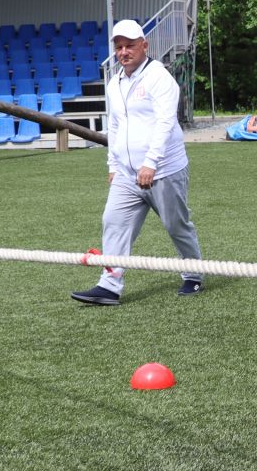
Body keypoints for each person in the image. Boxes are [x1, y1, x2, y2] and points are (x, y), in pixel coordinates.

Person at [71, 20, 204, 306]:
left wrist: (151, 163)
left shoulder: (159, 77)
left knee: (176, 225)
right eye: (119, 47)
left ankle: (194, 275)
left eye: (130, 45)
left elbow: (166, 123)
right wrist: (112, 165)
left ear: (145, 45)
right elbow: (116, 125)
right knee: (112, 221)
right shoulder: (115, 83)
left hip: (164, 169)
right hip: (126, 173)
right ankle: (109, 285)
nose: (123, 51)